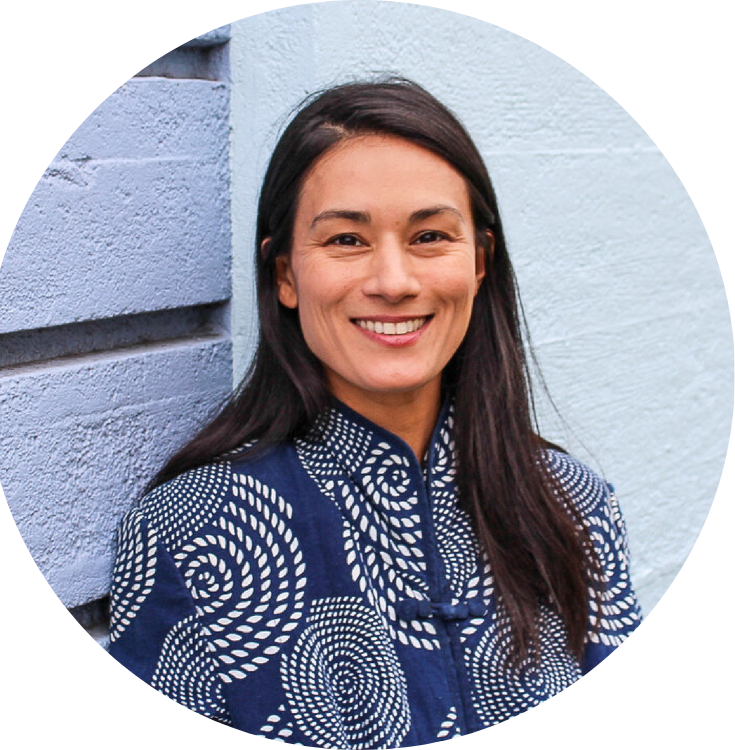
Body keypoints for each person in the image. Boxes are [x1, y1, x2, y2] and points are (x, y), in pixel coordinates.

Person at [108, 77, 642, 743]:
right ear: (284, 275)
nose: (393, 281)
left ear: (480, 262)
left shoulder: (575, 507)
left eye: (429, 237)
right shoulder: (191, 535)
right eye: (345, 241)